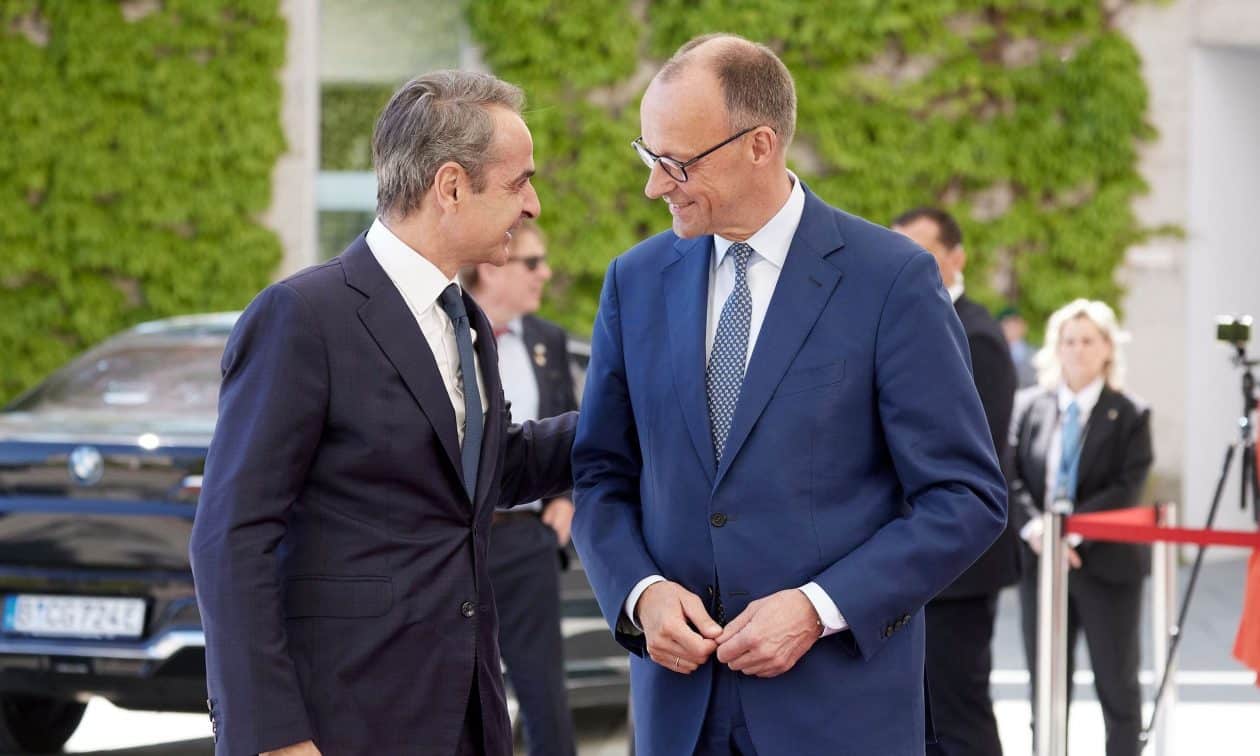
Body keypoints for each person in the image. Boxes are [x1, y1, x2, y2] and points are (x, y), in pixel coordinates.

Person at [571, 33, 1007, 755]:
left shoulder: (890, 279)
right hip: (679, 715)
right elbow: (600, 476)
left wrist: (817, 608)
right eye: (649, 157)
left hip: (836, 715)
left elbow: (965, 497)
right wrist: (639, 592)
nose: (655, 186)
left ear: (760, 145)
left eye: (677, 163)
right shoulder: (634, 281)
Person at [189, 71, 578, 756]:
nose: (533, 204)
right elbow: (230, 537)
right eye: (520, 182)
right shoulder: (303, 317)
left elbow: (485, 472)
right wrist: (272, 736)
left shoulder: (468, 322)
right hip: (340, 726)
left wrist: (640, 413)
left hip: (466, 720)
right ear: (451, 186)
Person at [892, 207, 1019, 756]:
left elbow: (974, 454)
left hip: (959, 565)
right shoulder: (915, 322)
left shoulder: (977, 334)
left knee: (957, 714)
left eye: (921, 252)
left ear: (957, 258)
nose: (905, 264)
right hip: (918, 561)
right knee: (924, 718)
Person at [1008, 299, 1153, 756]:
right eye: (1068, 340)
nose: (1078, 350)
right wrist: (1037, 530)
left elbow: (1127, 485)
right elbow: (1009, 476)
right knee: (1046, 685)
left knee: (1118, 685)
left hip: (1107, 567)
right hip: (1041, 565)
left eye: (1088, 340)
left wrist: (1069, 534)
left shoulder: (1129, 413)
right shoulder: (1030, 406)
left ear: (1108, 348)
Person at [463, 221, 578, 756]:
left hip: (527, 542)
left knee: (544, 694)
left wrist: (564, 500)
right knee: (459, 695)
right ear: (491, 268)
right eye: (532, 262)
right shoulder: (445, 332)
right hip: (458, 545)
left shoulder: (546, 340)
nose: (544, 273)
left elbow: (562, 432)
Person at [998, 306, 1038, 389]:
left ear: (1024, 326)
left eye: (1016, 323)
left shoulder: (1037, 354)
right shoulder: (995, 355)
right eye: (1007, 324)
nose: (1012, 328)